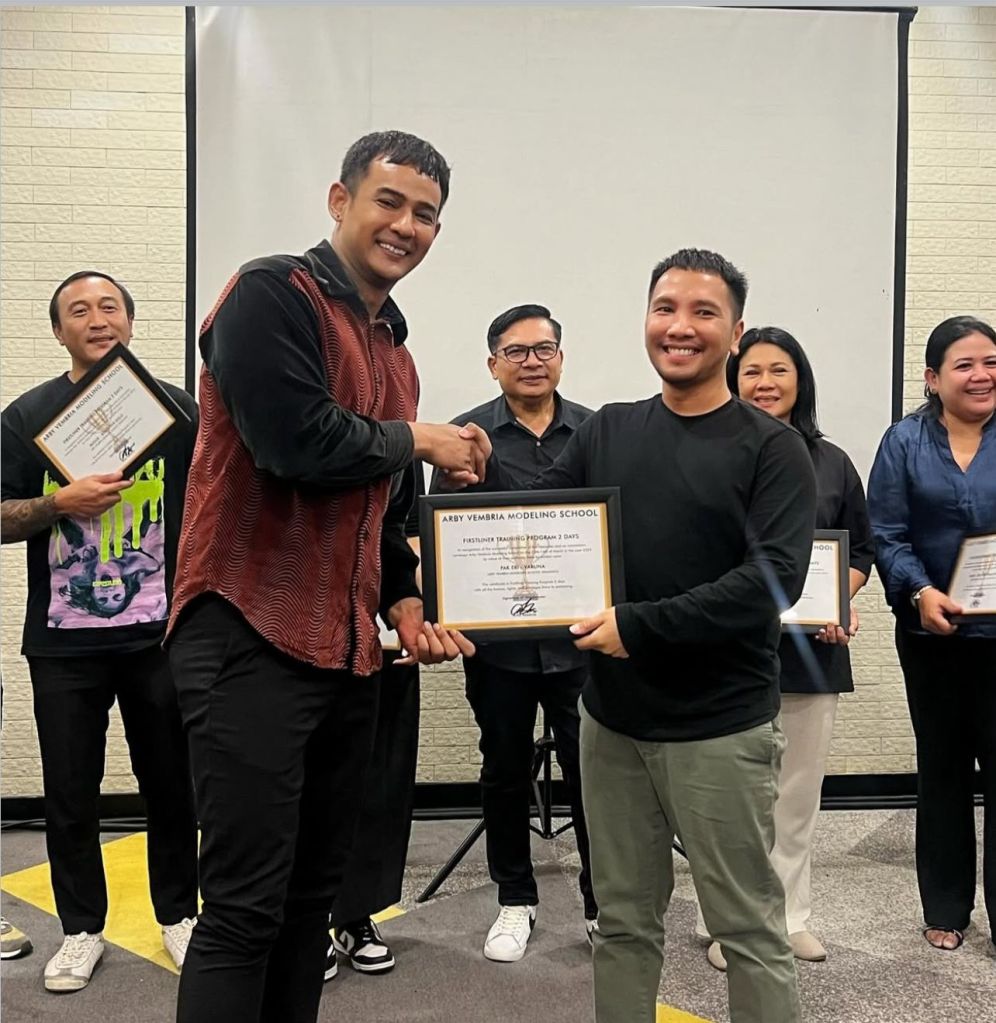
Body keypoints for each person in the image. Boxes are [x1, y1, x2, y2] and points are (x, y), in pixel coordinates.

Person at [165, 130, 491, 1023]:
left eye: (426, 214)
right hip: (245, 632)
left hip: (347, 654)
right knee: (244, 908)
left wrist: (408, 599)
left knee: (314, 901)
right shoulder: (270, 293)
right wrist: (420, 438)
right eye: (389, 201)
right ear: (339, 200)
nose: (407, 225)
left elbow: (381, 509)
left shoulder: (397, 353)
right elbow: (294, 441)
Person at [472, 250, 815, 1022]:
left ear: (735, 332)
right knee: (623, 923)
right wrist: (459, 569)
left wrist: (637, 625)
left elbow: (772, 581)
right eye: (665, 308)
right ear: (647, 319)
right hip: (613, 724)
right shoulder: (610, 429)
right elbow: (544, 529)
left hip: (721, 728)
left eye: (703, 311)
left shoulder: (772, 448)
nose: (679, 326)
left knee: (748, 929)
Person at [0, 271, 200, 992]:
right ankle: (82, 930)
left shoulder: (177, 412)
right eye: (78, 311)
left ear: (131, 322)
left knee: (172, 786)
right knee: (69, 794)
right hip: (62, 643)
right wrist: (59, 502)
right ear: (59, 332)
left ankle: (180, 915)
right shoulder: (29, 416)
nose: (97, 319)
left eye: (109, 306)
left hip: (160, 640)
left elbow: (214, 508)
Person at [692, 327, 875, 971]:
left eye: (779, 370)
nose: (764, 383)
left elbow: (860, 548)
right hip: (727, 649)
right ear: (733, 378)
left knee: (796, 796)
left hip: (811, 651)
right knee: (731, 801)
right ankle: (729, 923)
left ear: (801, 381)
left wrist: (838, 600)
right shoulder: (710, 452)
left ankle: (791, 916)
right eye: (752, 371)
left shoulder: (833, 461)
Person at [430, 304, 597, 963]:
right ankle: (515, 898)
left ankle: (601, 903)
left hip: (580, 641)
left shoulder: (595, 431)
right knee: (503, 769)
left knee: (593, 772)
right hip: (497, 648)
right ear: (493, 362)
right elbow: (442, 535)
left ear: (561, 357)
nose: (532, 361)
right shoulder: (464, 437)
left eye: (544, 348)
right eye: (517, 351)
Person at [867, 315, 996, 953]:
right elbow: (886, 534)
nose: (981, 375)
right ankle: (946, 906)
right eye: (964, 365)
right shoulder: (903, 441)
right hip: (931, 634)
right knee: (942, 767)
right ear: (933, 377)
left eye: (991, 362)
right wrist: (919, 591)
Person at [326, 468, 425, 980]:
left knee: (375, 775)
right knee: (299, 782)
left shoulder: (401, 434)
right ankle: (301, 922)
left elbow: (401, 525)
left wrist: (411, 601)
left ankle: (355, 914)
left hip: (378, 631)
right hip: (292, 624)